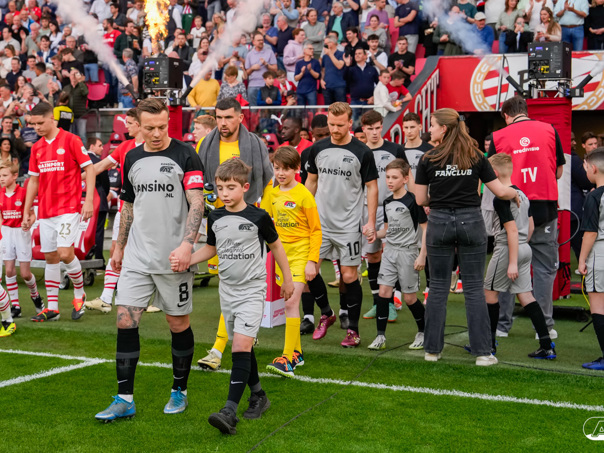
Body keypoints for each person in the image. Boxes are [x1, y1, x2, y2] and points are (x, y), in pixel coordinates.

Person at [94, 98, 205, 422]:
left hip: (174, 259)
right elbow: (128, 204)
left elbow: (197, 203)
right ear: (137, 126)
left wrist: (187, 246)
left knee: (177, 324)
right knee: (125, 320)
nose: (156, 134)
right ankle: (124, 399)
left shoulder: (186, 154)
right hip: (137, 256)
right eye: (149, 128)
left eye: (161, 127)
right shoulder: (131, 157)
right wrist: (119, 246)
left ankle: (179, 390)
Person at [181, 158, 293, 434]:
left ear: (245, 187)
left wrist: (287, 279)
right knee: (243, 346)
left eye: (230, 188)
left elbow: (277, 247)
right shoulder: (215, 217)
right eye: (220, 188)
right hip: (227, 291)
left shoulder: (259, 216)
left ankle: (229, 411)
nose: (225, 193)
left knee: (240, 347)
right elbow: (211, 248)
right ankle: (259, 395)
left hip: (252, 290)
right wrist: (188, 259)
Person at [414, 108, 518, 366]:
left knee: (438, 287)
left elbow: (420, 199)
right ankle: (483, 353)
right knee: (473, 288)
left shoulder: (428, 158)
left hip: (439, 221)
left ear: (444, 129)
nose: (429, 129)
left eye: (432, 125)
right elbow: (500, 191)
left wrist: (438, 198)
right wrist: (515, 193)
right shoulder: (477, 155)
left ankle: (432, 351)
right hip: (471, 221)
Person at [196, 97, 274, 371]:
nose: (223, 123)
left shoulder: (255, 144)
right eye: (219, 117)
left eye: (228, 117)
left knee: (238, 282)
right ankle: (244, 334)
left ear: (240, 117)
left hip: (248, 222)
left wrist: (264, 216)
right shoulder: (205, 145)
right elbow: (200, 182)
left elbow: (268, 179)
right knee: (227, 282)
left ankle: (219, 348)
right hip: (218, 222)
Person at [489, 95, 565, 338]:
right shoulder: (549, 129)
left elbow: (491, 174)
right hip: (544, 206)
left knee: (507, 264)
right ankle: (544, 327)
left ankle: (502, 325)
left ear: (506, 115)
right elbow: (559, 171)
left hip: (512, 206)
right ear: (525, 110)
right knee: (543, 269)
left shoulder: (498, 136)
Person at [305, 102, 379, 346]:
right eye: (331, 124)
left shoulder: (362, 151)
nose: (335, 129)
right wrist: (304, 214)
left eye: (339, 125)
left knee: (348, 276)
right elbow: (311, 182)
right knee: (309, 271)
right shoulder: (318, 148)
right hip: (321, 224)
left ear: (350, 123)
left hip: (348, 226)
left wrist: (370, 221)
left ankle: (353, 331)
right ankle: (327, 313)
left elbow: (372, 187)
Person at [23, 102, 95, 322]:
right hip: (45, 210)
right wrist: (28, 210)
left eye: (40, 123)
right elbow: (33, 181)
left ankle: (79, 292)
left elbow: (89, 168)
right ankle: (52, 308)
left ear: (51, 119)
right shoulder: (37, 147)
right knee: (51, 257)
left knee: (64, 253)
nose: (37, 127)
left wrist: (88, 201)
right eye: (33, 124)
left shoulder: (71, 140)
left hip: (68, 208)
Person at [482, 153, 556, 359]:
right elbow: (530, 227)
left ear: (494, 173)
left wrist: (512, 261)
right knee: (526, 296)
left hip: (508, 249)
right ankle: (546, 345)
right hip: (523, 247)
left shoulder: (501, 198)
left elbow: (512, 230)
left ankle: (488, 345)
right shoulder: (521, 194)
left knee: (489, 294)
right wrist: (522, 248)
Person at [262, 146, 325, 377]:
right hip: (282, 257)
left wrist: (312, 261)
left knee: (289, 304)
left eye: (286, 169)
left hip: (301, 255)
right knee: (290, 304)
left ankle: (287, 359)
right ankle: (297, 353)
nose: (281, 173)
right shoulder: (271, 193)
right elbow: (263, 221)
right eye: (277, 168)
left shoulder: (304, 195)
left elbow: (316, 230)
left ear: (297, 169)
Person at [86, 108, 145, 314]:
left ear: (139, 124)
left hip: (148, 210)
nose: (125, 127)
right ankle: (105, 298)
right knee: (115, 250)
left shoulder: (153, 146)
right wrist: (74, 176)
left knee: (147, 253)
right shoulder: (124, 147)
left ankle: (153, 298)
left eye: (129, 123)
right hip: (125, 207)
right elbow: (100, 166)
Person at [368, 158, 427, 350]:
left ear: (405, 179)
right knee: (383, 293)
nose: (390, 181)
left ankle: (424, 331)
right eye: (387, 177)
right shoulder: (387, 202)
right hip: (389, 252)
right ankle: (380, 336)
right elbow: (387, 230)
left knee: (409, 298)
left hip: (408, 253)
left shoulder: (414, 201)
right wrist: (375, 234)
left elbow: (426, 229)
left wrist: (422, 255)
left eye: (394, 177)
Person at [359, 110, 412, 322]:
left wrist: (413, 201)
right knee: (372, 256)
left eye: (377, 128)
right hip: (366, 208)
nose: (374, 132)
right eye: (369, 128)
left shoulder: (395, 149)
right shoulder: (360, 151)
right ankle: (378, 303)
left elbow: (408, 175)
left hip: (394, 208)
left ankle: (391, 302)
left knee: (393, 255)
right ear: (363, 129)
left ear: (382, 126)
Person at [0, 159, 43, 320]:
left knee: (25, 274)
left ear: (14, 176)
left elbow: (32, 215)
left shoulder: (24, 193)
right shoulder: (0, 193)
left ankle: (35, 295)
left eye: (5, 175)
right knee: (9, 270)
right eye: (0, 176)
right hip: (6, 232)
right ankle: (15, 306)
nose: (1, 179)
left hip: (21, 233)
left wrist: (29, 223)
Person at [578, 147, 604, 370]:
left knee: (598, 306)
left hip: (600, 254)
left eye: (585, 167)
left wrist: (581, 260)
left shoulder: (594, 197)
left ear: (593, 169)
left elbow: (590, 233)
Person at [86, 137, 110, 266]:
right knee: (98, 231)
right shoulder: (99, 162)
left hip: (80, 201)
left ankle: (81, 257)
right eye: (99, 145)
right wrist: (102, 195)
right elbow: (106, 184)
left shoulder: (78, 161)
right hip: (98, 200)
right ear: (91, 146)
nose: (102, 148)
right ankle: (99, 260)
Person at [344, 47, 379, 125]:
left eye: (359, 53)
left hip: (369, 102)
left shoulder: (372, 69)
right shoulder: (351, 69)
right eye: (356, 54)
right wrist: (347, 65)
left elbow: (379, 85)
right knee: (354, 124)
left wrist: (374, 97)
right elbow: (345, 78)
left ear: (365, 56)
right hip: (355, 101)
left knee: (369, 124)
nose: (357, 55)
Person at [245, 31, 279, 106]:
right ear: (253, 42)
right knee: (253, 108)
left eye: (262, 40)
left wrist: (266, 64)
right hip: (253, 85)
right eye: (258, 40)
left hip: (266, 85)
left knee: (266, 109)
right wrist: (252, 68)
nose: (261, 42)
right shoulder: (249, 54)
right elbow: (246, 73)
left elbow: (275, 69)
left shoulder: (270, 52)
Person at [321, 35, 347, 104]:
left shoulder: (342, 54)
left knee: (341, 108)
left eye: (326, 44)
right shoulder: (325, 56)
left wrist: (330, 54)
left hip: (339, 86)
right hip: (327, 86)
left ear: (332, 43)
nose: (324, 47)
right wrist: (321, 80)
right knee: (328, 108)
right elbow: (323, 70)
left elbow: (339, 66)